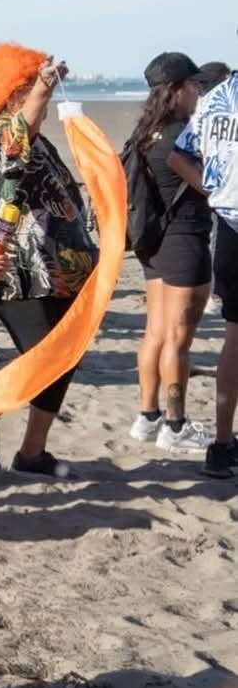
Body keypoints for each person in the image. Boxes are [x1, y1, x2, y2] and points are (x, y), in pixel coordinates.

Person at [0, 44, 97, 479]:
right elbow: (19, 133)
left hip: (60, 269)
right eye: (26, 86)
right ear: (11, 93)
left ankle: (32, 453)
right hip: (21, 272)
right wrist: (43, 88)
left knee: (63, 360)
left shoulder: (34, 138)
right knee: (44, 357)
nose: (36, 93)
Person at [127, 53, 213, 454]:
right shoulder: (183, 136)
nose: (198, 92)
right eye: (194, 85)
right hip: (184, 242)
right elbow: (213, 187)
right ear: (176, 90)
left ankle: (148, 417)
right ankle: (175, 425)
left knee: (156, 333)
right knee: (179, 340)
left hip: (153, 243)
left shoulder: (146, 133)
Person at [170, 61, 238, 478]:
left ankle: (223, 443)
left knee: (235, 336)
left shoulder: (215, 99)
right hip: (231, 224)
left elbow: (179, 155)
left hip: (228, 227)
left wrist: (213, 190)